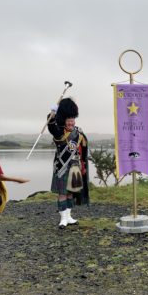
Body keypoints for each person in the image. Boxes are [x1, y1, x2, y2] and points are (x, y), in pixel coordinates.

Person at [47, 97, 89, 229]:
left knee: (71, 192)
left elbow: (83, 150)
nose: (71, 123)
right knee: (62, 193)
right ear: (64, 120)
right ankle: (63, 218)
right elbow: (51, 125)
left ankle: (69, 217)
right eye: (69, 120)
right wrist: (51, 114)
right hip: (62, 167)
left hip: (75, 167)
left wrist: (83, 166)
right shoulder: (59, 132)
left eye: (73, 120)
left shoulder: (79, 132)